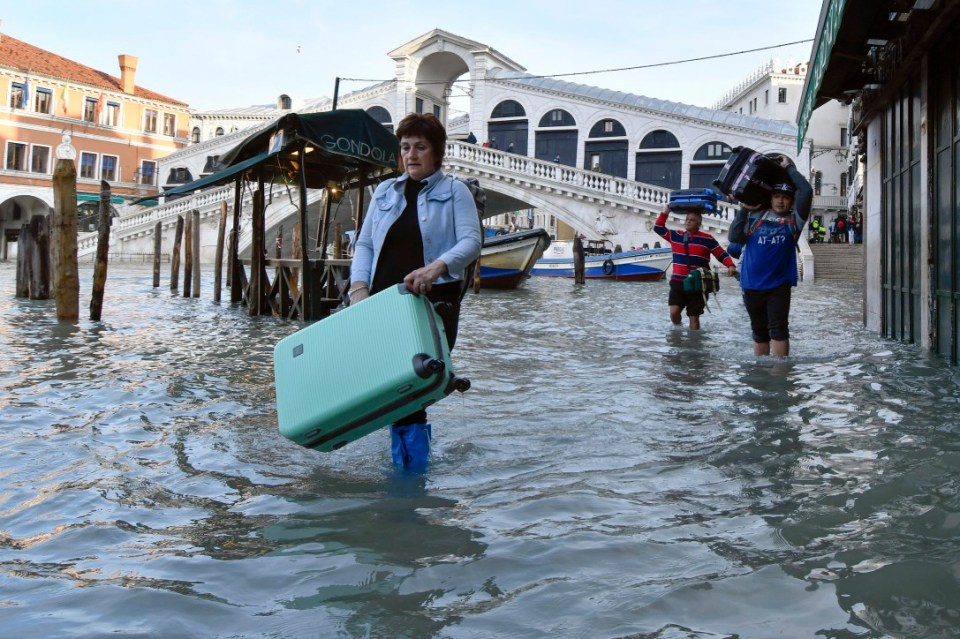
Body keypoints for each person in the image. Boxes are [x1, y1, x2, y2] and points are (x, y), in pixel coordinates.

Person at [349, 113, 483, 470]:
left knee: (412, 389)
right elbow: (363, 245)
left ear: (436, 153)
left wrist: (437, 266)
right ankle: (407, 470)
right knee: (392, 386)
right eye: (405, 147)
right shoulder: (383, 192)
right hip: (382, 303)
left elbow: (471, 242)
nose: (411, 155)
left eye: (420, 147)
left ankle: (409, 480)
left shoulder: (456, 191)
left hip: (434, 302)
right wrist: (358, 288)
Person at [728, 154, 813, 358]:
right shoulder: (754, 216)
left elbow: (807, 190)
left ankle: (780, 375)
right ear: (770, 198)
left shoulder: (795, 221)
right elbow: (734, 236)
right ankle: (761, 373)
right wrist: (743, 209)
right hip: (750, 284)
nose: (781, 201)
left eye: (785, 197)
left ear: (791, 201)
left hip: (779, 286)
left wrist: (789, 167)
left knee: (779, 329)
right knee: (759, 332)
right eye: (776, 196)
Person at [654, 207, 737, 330]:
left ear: (699, 224)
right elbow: (658, 228)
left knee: (694, 318)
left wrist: (730, 265)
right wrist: (667, 211)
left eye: (692, 220)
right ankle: (678, 330)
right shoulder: (675, 236)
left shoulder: (707, 239)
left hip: (698, 283)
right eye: (687, 219)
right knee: (674, 313)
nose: (688, 221)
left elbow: (721, 254)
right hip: (678, 282)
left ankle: (693, 346)